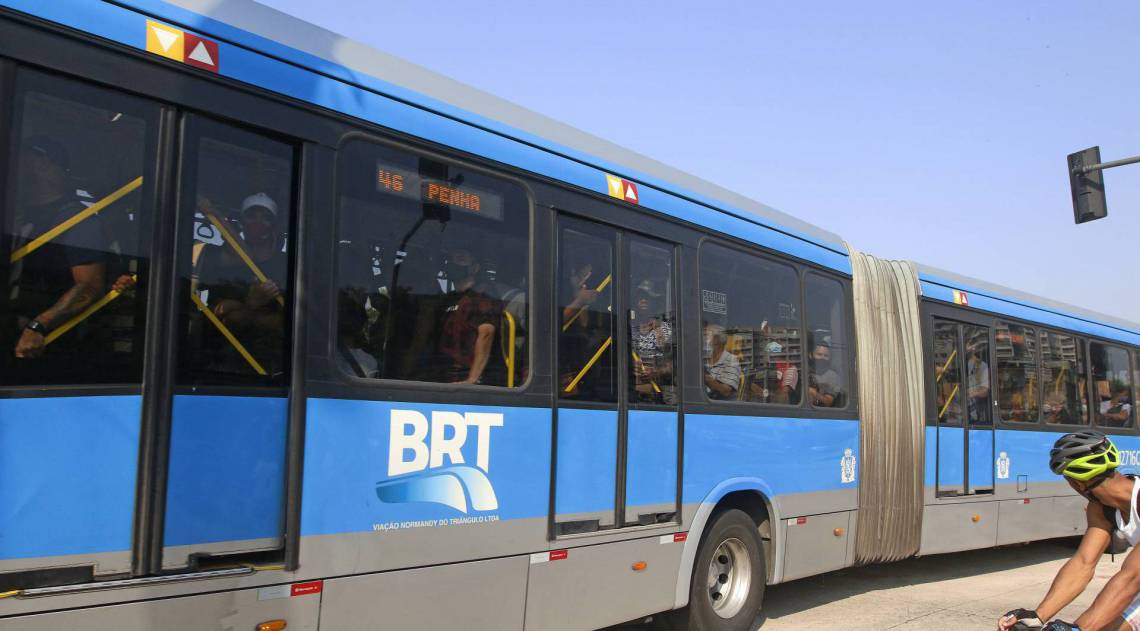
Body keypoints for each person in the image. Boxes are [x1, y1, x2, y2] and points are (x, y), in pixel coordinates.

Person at [999, 431, 1140, 631]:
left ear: (1077, 483)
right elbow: (1083, 563)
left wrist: (1079, 628)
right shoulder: (1101, 508)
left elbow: (1132, 577)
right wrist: (1038, 616)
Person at [4, 136, 111, 378]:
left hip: (45, 352)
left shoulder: (76, 221)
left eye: (25, 156)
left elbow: (90, 286)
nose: (15, 164)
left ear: (44, 164)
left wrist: (38, 326)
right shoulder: (18, 216)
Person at [193, 192, 288, 377]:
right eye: (251, 216)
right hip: (218, 362)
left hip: (274, 368)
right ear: (241, 222)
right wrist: (253, 305)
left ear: (275, 226)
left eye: (266, 218)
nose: (257, 223)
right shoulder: (219, 258)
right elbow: (222, 314)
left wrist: (244, 309)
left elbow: (286, 322)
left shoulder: (288, 266)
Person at [436, 243, 500, 385]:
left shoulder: (482, 295)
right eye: (452, 259)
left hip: (463, 377)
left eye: (461, 259)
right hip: (443, 374)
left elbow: (487, 333)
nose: (455, 263)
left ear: (475, 268)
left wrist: (472, 379)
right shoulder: (448, 298)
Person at [629, 279, 673, 403]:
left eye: (647, 297)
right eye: (640, 297)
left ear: (654, 301)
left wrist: (655, 372)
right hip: (630, 392)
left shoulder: (664, 329)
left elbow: (673, 364)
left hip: (657, 394)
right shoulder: (628, 328)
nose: (643, 300)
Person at [703, 325, 741, 400]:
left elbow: (726, 391)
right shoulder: (703, 358)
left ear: (717, 339)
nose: (704, 339)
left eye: (707, 336)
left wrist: (705, 378)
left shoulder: (731, 360)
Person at [808, 339, 841, 407]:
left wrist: (813, 392)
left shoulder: (833, 376)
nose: (822, 358)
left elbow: (828, 402)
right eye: (819, 354)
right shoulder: (805, 372)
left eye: (826, 356)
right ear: (811, 355)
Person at [967, 345, 991, 422]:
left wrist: (972, 394)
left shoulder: (983, 366)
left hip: (978, 409)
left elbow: (985, 392)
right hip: (965, 409)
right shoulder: (965, 363)